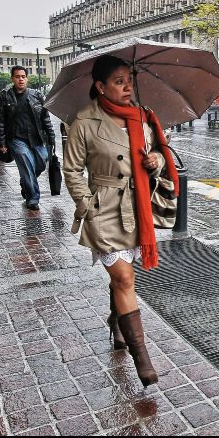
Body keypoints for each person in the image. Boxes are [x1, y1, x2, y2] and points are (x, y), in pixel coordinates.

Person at [63, 55, 179, 387]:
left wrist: (156, 160)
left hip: (136, 206)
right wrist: (86, 205)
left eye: (129, 80)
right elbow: (72, 170)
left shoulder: (143, 117)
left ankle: (116, 321)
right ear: (100, 86)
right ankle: (143, 359)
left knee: (122, 279)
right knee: (125, 278)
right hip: (104, 209)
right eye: (119, 81)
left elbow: (158, 153)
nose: (128, 87)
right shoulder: (84, 121)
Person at [0, 66, 55, 210]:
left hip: (36, 138)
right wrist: (2, 142)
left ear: (26, 78)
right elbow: (0, 120)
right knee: (26, 164)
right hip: (16, 138)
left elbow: (45, 118)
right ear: (12, 79)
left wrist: (51, 135)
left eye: (23, 76)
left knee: (42, 161)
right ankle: (33, 198)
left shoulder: (37, 95)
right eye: (17, 77)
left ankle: (25, 181)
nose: (20, 79)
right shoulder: (6, 96)